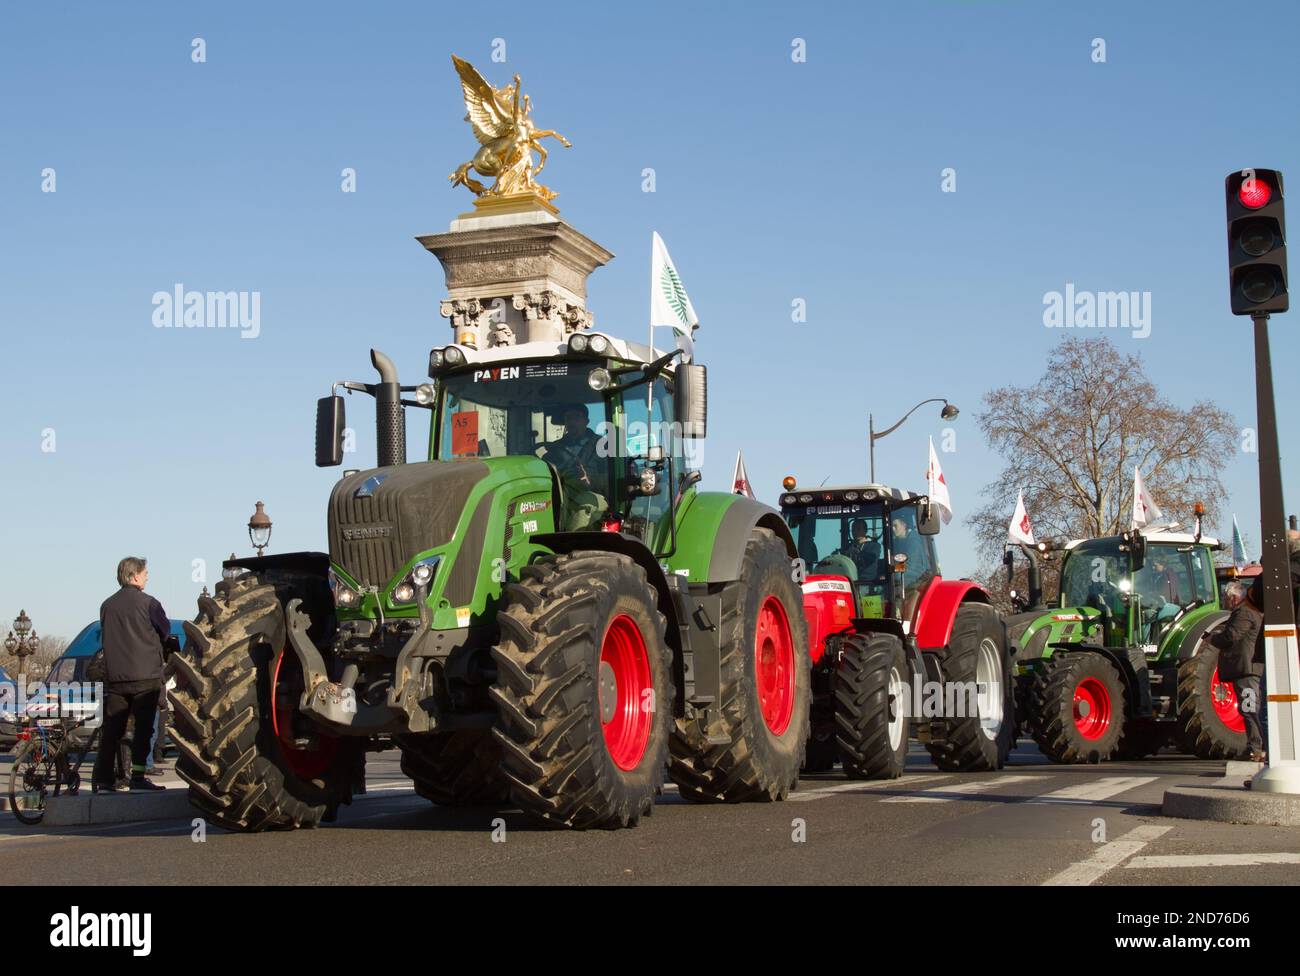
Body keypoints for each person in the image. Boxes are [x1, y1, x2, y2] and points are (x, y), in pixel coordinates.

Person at [91, 557, 168, 793]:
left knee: (113, 730)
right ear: (134, 576)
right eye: (145, 573)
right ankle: (137, 776)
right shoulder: (150, 603)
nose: (147, 577)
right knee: (144, 731)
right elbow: (164, 631)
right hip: (146, 677)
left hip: (116, 679)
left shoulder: (107, 605)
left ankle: (104, 779)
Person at [1211, 581, 1265, 762]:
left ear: (1234, 598)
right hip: (1248, 669)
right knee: (1250, 708)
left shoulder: (1243, 613)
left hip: (1246, 670)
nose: (1226, 602)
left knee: (1250, 709)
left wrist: (1213, 639)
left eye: (1226, 598)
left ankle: (1255, 748)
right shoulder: (1253, 612)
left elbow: (1231, 636)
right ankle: (1256, 746)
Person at [543, 404, 608, 530]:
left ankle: (570, 542)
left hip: (592, 495)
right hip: (560, 494)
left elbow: (611, 479)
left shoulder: (602, 446)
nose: (572, 422)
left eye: (577, 417)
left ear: (587, 421)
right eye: (568, 418)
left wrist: (589, 479)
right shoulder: (555, 448)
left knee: (586, 501)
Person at [891, 515, 928, 587]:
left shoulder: (914, 541)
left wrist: (892, 570)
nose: (892, 529)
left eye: (895, 526)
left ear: (904, 525)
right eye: (891, 526)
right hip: (908, 579)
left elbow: (910, 566)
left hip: (916, 580)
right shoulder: (899, 542)